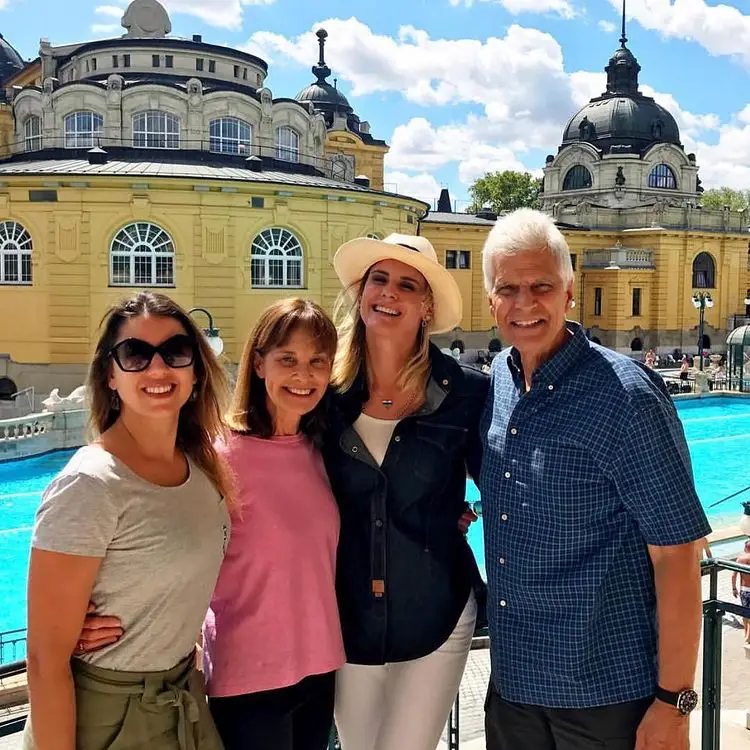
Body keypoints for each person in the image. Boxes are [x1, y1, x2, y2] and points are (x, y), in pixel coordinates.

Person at [479, 209, 710, 750]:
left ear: (569, 293)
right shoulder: (499, 384)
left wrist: (674, 704)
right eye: (508, 288)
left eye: (541, 286)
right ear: (491, 300)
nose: (525, 303)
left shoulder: (626, 397)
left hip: (605, 697)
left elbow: (677, 553)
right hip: (514, 687)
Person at [24, 292, 232, 750]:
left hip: (182, 701)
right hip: (110, 717)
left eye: (175, 352)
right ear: (111, 375)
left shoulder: (199, 468)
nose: (157, 369)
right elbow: (43, 661)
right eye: (135, 354)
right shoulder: (90, 485)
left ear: (196, 371)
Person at [324, 233, 488, 750]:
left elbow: (513, 483)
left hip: (435, 609)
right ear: (360, 292)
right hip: (344, 614)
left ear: (426, 305)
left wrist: (464, 510)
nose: (388, 293)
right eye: (379, 279)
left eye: (406, 284)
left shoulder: (466, 392)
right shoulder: (321, 393)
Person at [204, 298, 344, 750]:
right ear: (259, 364)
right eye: (288, 359)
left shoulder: (323, 452)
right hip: (247, 678)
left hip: (320, 667)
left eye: (316, 362)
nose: (304, 376)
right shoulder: (216, 457)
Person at [731, 540, 750, 644]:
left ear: (745, 548)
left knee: (745, 612)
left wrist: (734, 588)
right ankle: (748, 636)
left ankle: (746, 633)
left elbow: (734, 575)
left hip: (744, 590)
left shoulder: (740, 559)